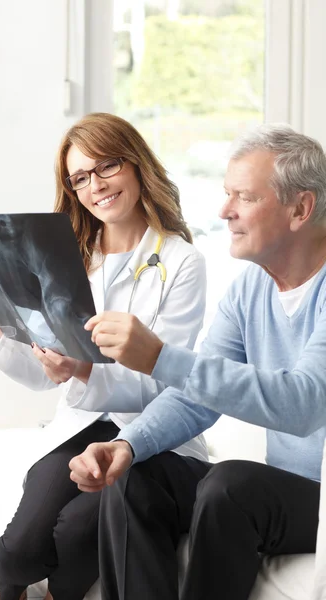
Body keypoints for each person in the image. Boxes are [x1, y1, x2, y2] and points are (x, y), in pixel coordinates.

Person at [69, 123, 326, 600]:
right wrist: (128, 444)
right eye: (227, 194)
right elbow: (195, 398)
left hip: (321, 497)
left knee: (230, 485)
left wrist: (161, 357)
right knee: (136, 478)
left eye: (244, 198)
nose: (224, 211)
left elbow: (305, 404)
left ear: (301, 209)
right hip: (286, 490)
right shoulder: (251, 287)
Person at [0, 112, 207, 600]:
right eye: (80, 178)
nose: (95, 185)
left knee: (74, 536)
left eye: (106, 166)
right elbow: (41, 377)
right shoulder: (65, 255)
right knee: (16, 553)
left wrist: (83, 369)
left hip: (149, 432)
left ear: (135, 165)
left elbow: (163, 379)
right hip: (82, 421)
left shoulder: (181, 262)